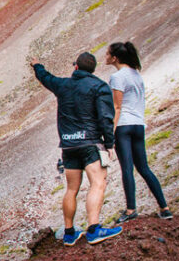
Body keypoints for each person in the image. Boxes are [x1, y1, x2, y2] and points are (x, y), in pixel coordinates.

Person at [32, 52, 123, 246]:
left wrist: (36, 65)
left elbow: (45, 78)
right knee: (98, 183)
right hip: (90, 143)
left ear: (76, 68)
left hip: (68, 145)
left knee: (71, 189)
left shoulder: (63, 85)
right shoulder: (99, 87)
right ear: (92, 69)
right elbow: (106, 118)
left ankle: (69, 233)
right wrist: (109, 143)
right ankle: (94, 229)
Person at [105, 42, 172, 224]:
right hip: (138, 124)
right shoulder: (137, 75)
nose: (105, 56)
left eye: (107, 54)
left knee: (127, 167)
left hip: (124, 125)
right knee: (143, 167)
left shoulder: (117, 77)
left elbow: (117, 107)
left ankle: (130, 209)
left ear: (115, 58)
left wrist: (110, 133)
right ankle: (164, 208)